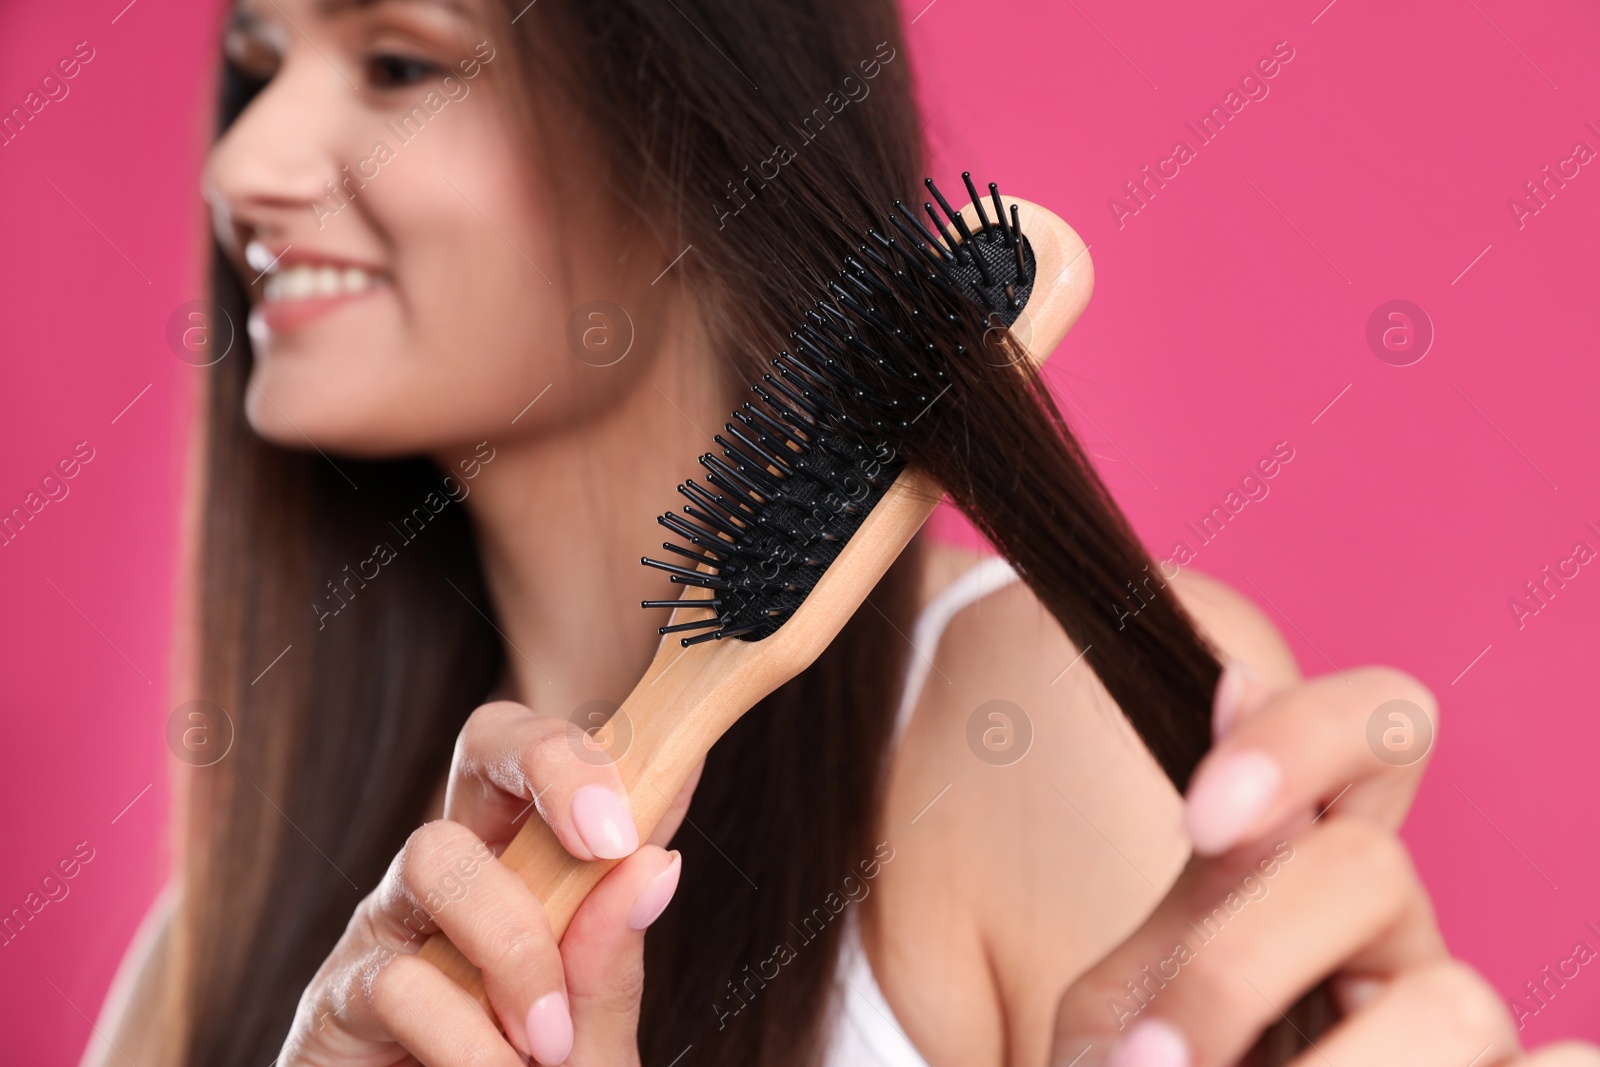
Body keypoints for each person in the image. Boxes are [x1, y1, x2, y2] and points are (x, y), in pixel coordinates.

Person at [83, 1, 1600, 1065]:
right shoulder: (209, 964)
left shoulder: (1028, 714)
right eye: (254, 63)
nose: (240, 165)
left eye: (402, 60)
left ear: (695, 123)